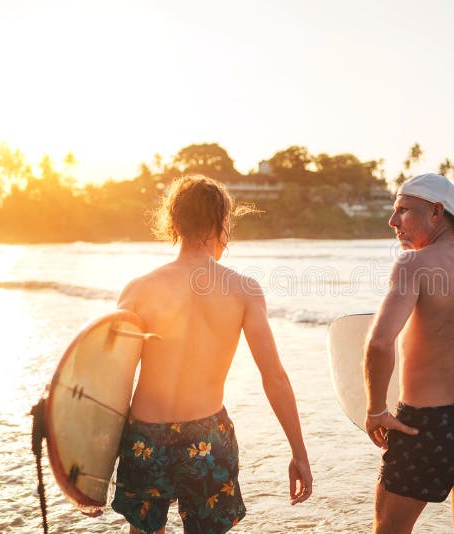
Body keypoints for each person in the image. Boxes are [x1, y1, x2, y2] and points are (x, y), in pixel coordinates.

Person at [111, 175, 312, 534]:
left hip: (144, 435)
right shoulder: (243, 290)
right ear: (223, 223)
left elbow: (112, 380)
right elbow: (274, 376)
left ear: (173, 223)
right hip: (207, 435)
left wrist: (90, 463)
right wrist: (299, 452)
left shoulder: (138, 290)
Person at [364, 173, 454, 534]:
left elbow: (379, 343)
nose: (392, 221)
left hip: (425, 425)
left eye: (402, 211)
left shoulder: (411, 265)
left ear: (435, 212)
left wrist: (375, 410)